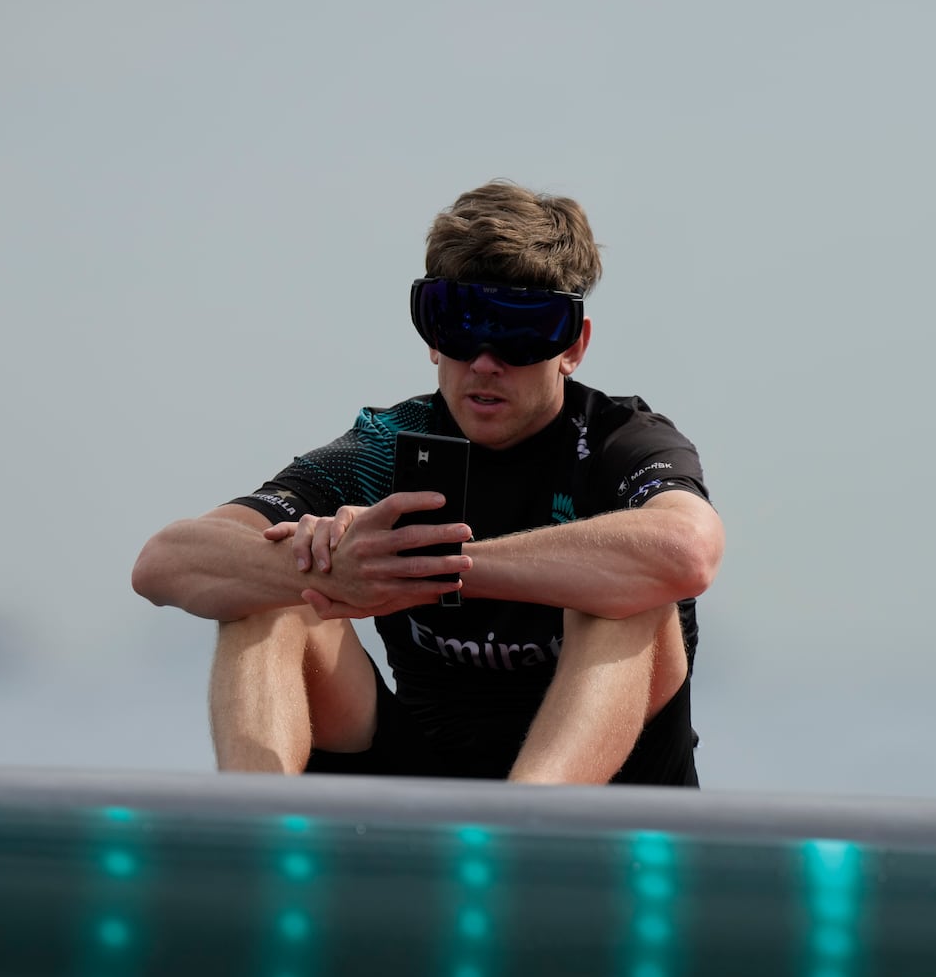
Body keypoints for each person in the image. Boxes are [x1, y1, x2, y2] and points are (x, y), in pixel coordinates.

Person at [132, 180, 724, 785]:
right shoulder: (385, 448)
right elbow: (164, 563)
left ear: (572, 346)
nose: (485, 362)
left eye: (520, 331)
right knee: (273, 592)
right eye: (460, 325)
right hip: (428, 785)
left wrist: (422, 565)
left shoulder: (619, 441)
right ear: (433, 338)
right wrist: (333, 568)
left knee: (625, 596)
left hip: (609, 808)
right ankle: (253, 840)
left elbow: (687, 552)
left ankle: (520, 829)